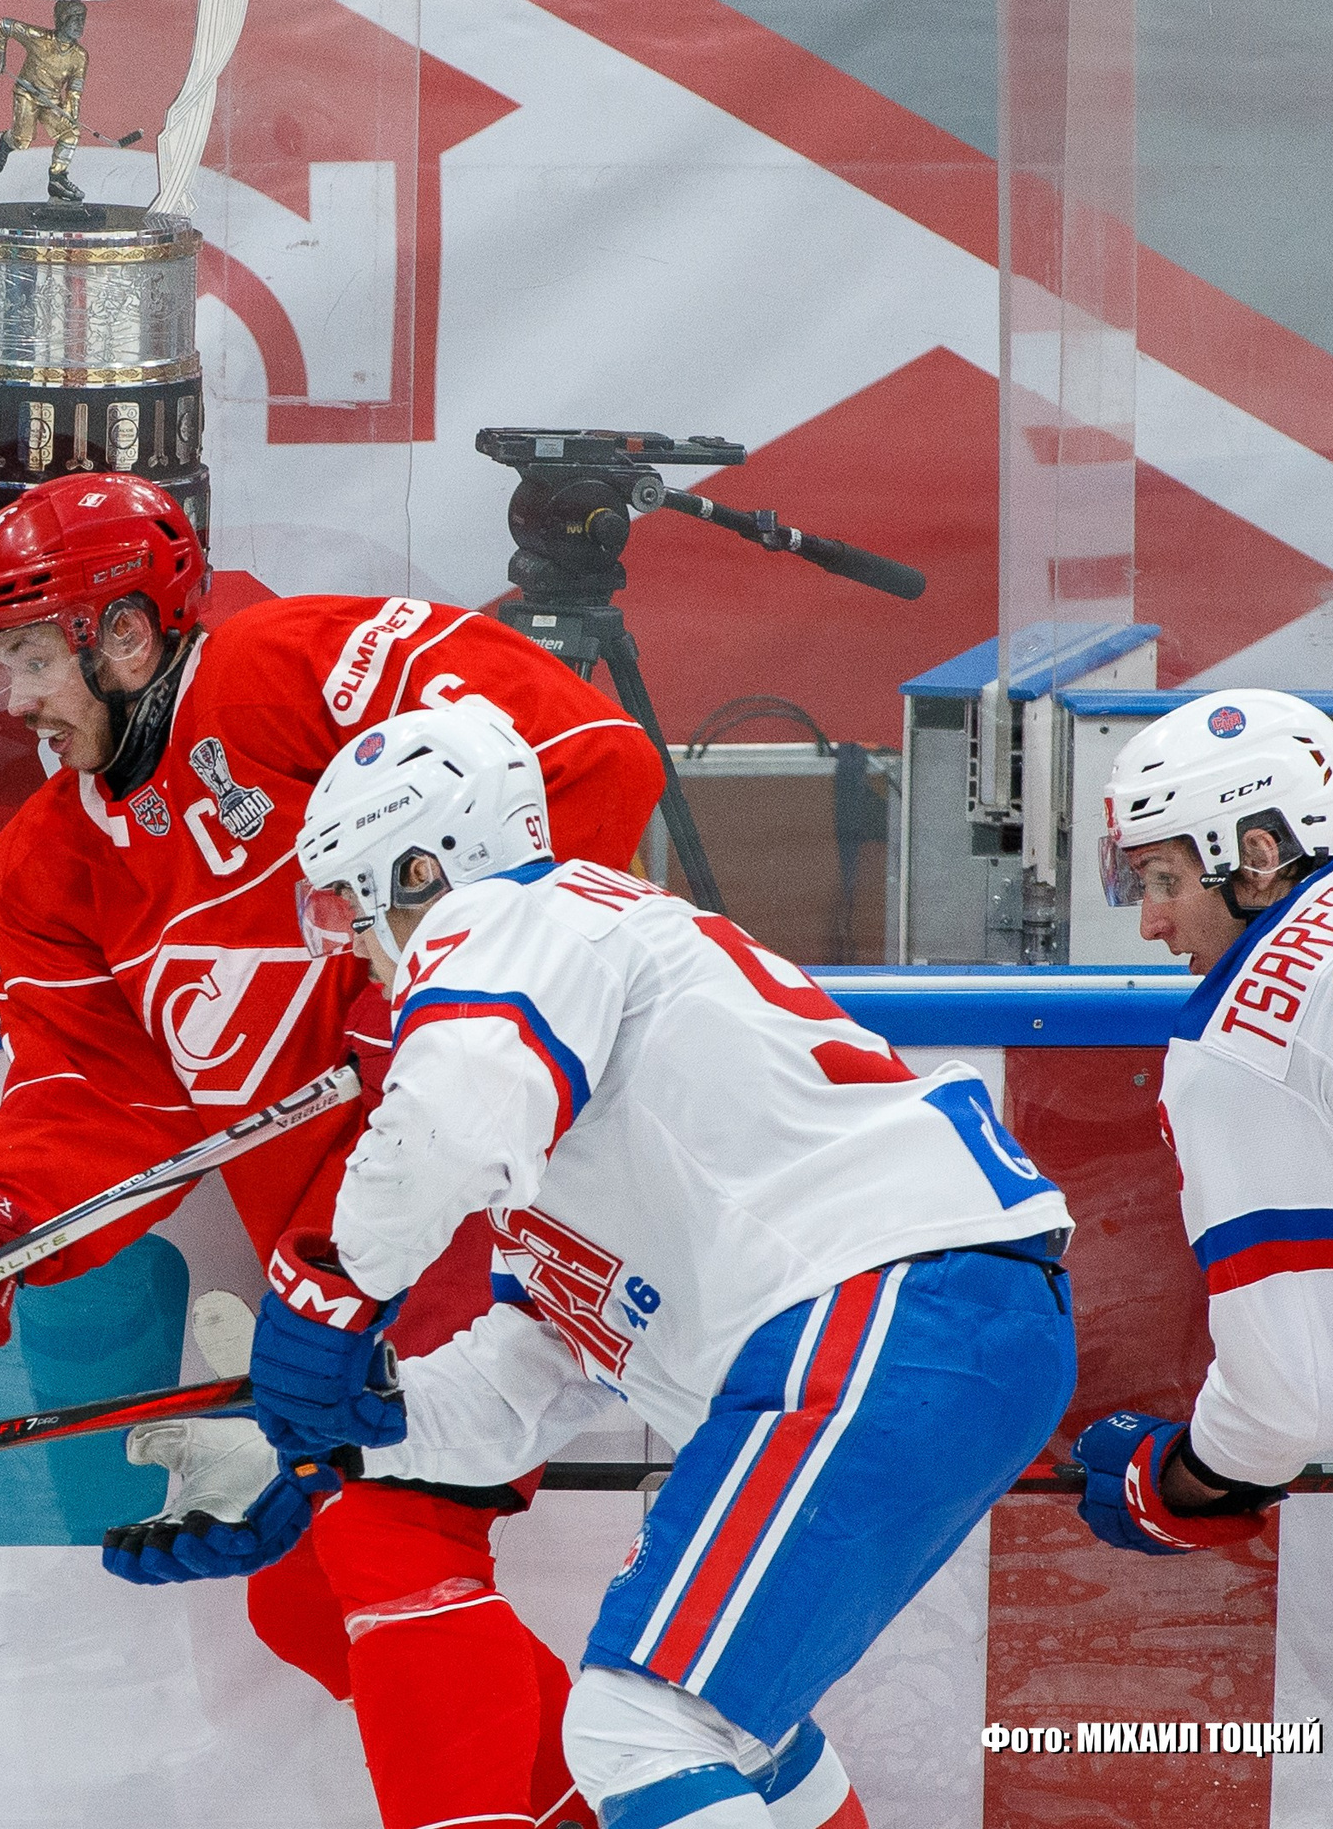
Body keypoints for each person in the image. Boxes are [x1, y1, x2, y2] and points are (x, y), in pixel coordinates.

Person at [0, 473, 667, 1829]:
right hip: (350, 1252)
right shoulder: (48, 869)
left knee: (381, 1523)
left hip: (512, 1183)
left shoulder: (296, 667)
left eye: (32, 654)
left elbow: (595, 757)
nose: (14, 700)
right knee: (305, 1597)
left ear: (126, 634)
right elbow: (101, 1102)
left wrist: (436, 998)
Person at [190, 701, 1076, 1829]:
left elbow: (445, 1126)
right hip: (933, 1321)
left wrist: (325, 1297)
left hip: (884, 1309)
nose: (354, 950)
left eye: (347, 904)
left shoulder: (511, 915)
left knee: (634, 1726)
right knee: (741, 1732)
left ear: (420, 865)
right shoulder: (575, 1050)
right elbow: (527, 1376)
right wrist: (329, 1443)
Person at [1069, 689, 1333, 1557]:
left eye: (1163, 879)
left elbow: (1299, 1398)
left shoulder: (1246, 1040)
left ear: (1258, 854)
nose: (1150, 923)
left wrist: (1182, 1478)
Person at [0, 1, 87, 203]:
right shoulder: (38, 38)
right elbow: (4, 26)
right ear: (61, 20)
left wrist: (71, 111)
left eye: (82, 19)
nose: (79, 24)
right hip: (27, 95)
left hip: (52, 102)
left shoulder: (80, 56)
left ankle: (57, 179)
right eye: (74, 19)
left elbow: (75, 89)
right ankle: (4, 142)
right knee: (22, 141)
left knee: (70, 133)